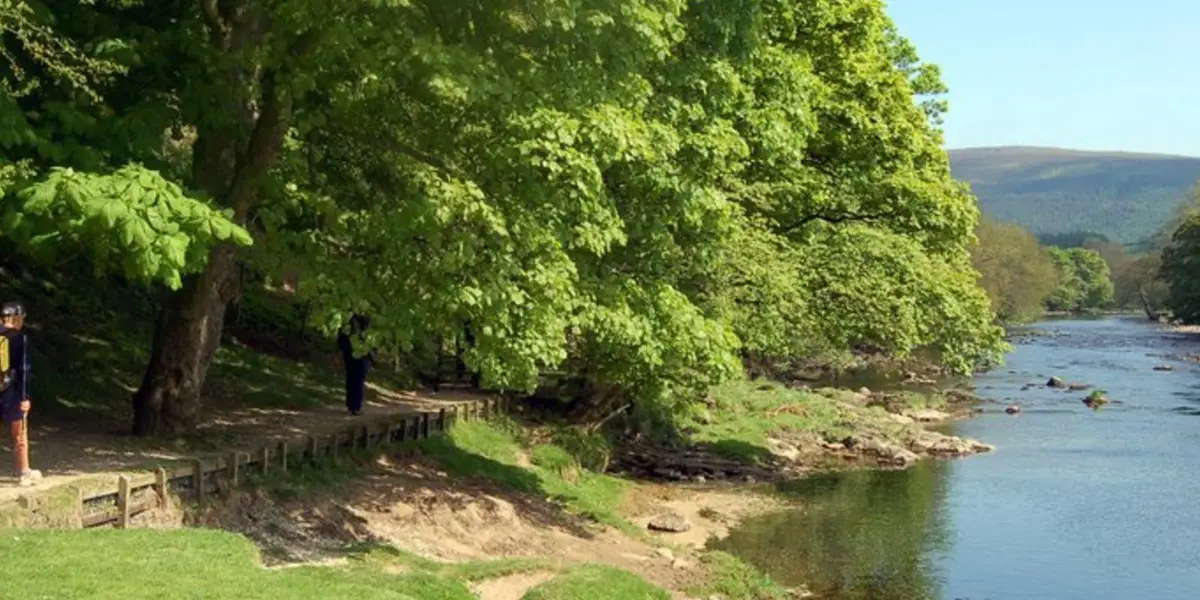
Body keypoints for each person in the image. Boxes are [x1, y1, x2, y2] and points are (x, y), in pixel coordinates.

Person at [1, 301, 39, 487]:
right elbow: (23, 369)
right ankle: (24, 472)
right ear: (16, 318)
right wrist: (25, 397)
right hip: (11, 391)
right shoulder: (19, 338)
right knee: (19, 433)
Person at [337, 314, 373, 416]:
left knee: (355, 380)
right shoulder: (350, 327)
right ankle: (353, 405)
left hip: (357, 357)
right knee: (354, 380)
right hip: (354, 356)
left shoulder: (356, 325)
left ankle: (353, 405)